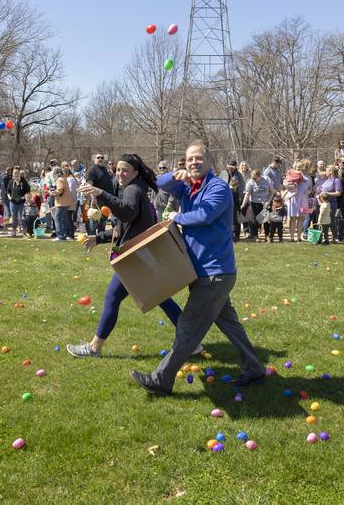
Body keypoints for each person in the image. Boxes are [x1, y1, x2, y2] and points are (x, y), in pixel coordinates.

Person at [129, 142, 265, 395]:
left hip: (214, 273)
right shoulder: (189, 187)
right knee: (230, 325)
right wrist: (175, 173)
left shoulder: (218, 188)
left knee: (188, 329)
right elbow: (161, 183)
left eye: (198, 158)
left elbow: (205, 215)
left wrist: (175, 217)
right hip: (206, 272)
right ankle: (254, 368)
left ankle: (161, 380)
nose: (193, 163)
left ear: (209, 161)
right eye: (189, 159)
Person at [66, 153, 188, 359]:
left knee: (112, 296)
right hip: (141, 253)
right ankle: (191, 341)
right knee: (162, 298)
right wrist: (100, 238)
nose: (120, 174)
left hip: (135, 257)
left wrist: (100, 193)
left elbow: (127, 213)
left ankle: (94, 348)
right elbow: (126, 226)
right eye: (118, 170)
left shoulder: (132, 189)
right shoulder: (135, 187)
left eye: (125, 170)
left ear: (135, 172)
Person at [85, 153, 114, 235]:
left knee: (103, 221)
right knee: (94, 220)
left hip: (105, 200)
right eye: (98, 158)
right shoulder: (92, 170)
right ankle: (91, 237)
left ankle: (101, 237)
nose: (100, 159)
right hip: (96, 200)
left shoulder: (104, 169)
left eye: (102, 157)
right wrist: (93, 198)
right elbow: (89, 185)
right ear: (94, 159)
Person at [241, 169, 273, 241]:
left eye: (255, 178)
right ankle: (256, 236)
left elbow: (272, 192)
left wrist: (268, 202)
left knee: (266, 220)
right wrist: (243, 204)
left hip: (266, 202)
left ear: (260, 176)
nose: (254, 180)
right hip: (255, 203)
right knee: (255, 220)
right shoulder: (250, 182)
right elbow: (247, 194)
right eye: (253, 178)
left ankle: (267, 236)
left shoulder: (267, 179)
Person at [51, 166, 74, 241]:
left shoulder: (59, 180)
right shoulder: (64, 178)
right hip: (66, 202)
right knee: (63, 219)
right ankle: (63, 235)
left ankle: (60, 236)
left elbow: (60, 190)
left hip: (61, 203)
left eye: (54, 173)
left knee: (58, 219)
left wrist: (52, 193)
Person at [6, 167, 30, 237]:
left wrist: (24, 196)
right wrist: (9, 197)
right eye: (14, 173)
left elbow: (28, 191)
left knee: (22, 217)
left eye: (17, 173)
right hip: (13, 203)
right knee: (14, 217)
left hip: (22, 202)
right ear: (12, 174)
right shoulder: (11, 182)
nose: (16, 174)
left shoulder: (24, 181)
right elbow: (8, 192)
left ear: (20, 173)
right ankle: (14, 231)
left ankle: (24, 231)